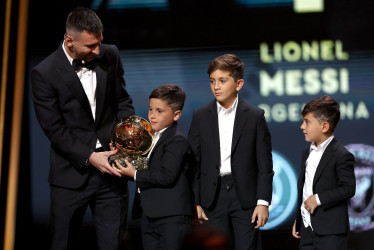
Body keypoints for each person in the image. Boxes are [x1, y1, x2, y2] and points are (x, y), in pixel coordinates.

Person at [31, 6, 135, 250]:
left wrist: (125, 135)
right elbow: (54, 128)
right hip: (70, 176)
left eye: (99, 43)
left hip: (112, 173)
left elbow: (122, 100)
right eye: (90, 46)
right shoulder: (44, 73)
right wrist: (90, 156)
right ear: (69, 40)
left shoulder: (111, 54)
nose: (97, 51)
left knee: (116, 244)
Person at [188, 54, 274, 250]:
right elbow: (194, 163)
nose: (216, 86)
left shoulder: (254, 115)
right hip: (212, 196)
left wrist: (263, 202)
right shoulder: (200, 116)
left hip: (245, 197)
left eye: (222, 81)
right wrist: (196, 202)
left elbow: (264, 164)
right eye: (212, 81)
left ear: (239, 84)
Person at [114, 84, 193, 250]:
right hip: (150, 215)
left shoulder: (177, 140)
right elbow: (142, 167)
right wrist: (121, 155)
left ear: (177, 114)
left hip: (171, 216)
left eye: (159, 111)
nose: (152, 116)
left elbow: (166, 176)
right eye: (150, 109)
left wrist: (135, 175)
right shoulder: (150, 137)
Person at [292, 95, 356, 250]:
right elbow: (305, 188)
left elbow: (348, 188)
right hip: (307, 229)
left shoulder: (341, 154)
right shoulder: (306, 152)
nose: (302, 126)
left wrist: (318, 199)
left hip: (330, 232)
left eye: (307, 122)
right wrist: (299, 219)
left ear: (324, 126)